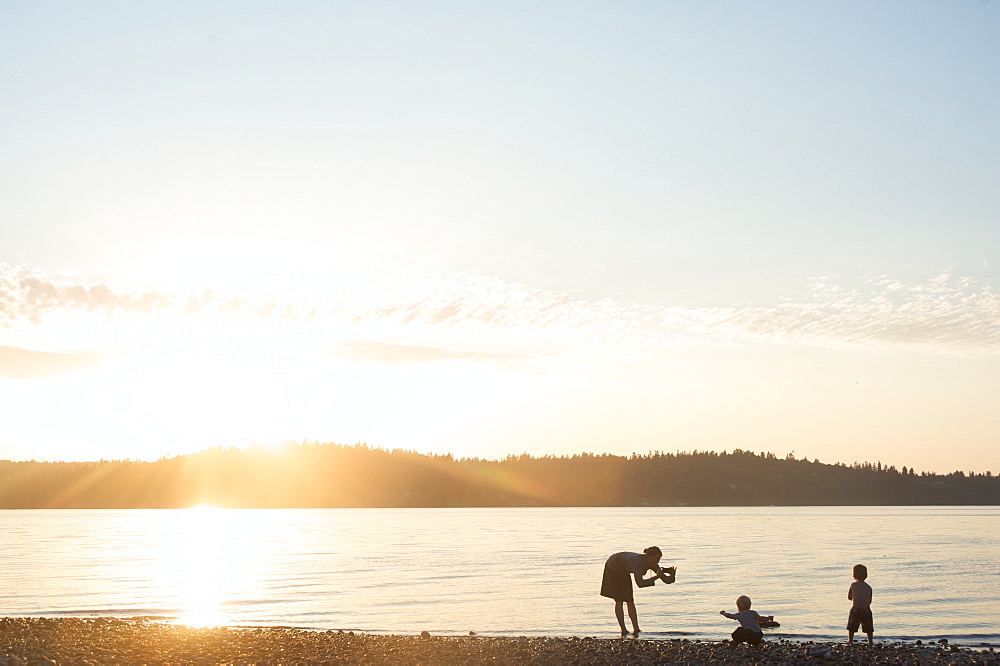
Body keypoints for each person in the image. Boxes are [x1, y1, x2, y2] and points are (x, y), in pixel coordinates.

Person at [600, 546, 676, 636]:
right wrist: (657, 577)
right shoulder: (637, 562)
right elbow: (640, 583)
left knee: (630, 600)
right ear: (648, 556)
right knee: (619, 600)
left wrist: (672, 576)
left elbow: (667, 581)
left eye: (658, 559)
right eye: (655, 558)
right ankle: (623, 630)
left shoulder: (654, 564)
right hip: (613, 566)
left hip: (624, 569)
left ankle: (636, 629)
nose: (657, 561)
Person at [847, 563, 874, 646]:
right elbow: (870, 600)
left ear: (854, 575)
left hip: (856, 608)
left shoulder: (853, 585)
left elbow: (849, 597)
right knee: (869, 627)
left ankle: (850, 640)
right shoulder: (868, 587)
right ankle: (870, 642)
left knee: (852, 627)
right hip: (866, 609)